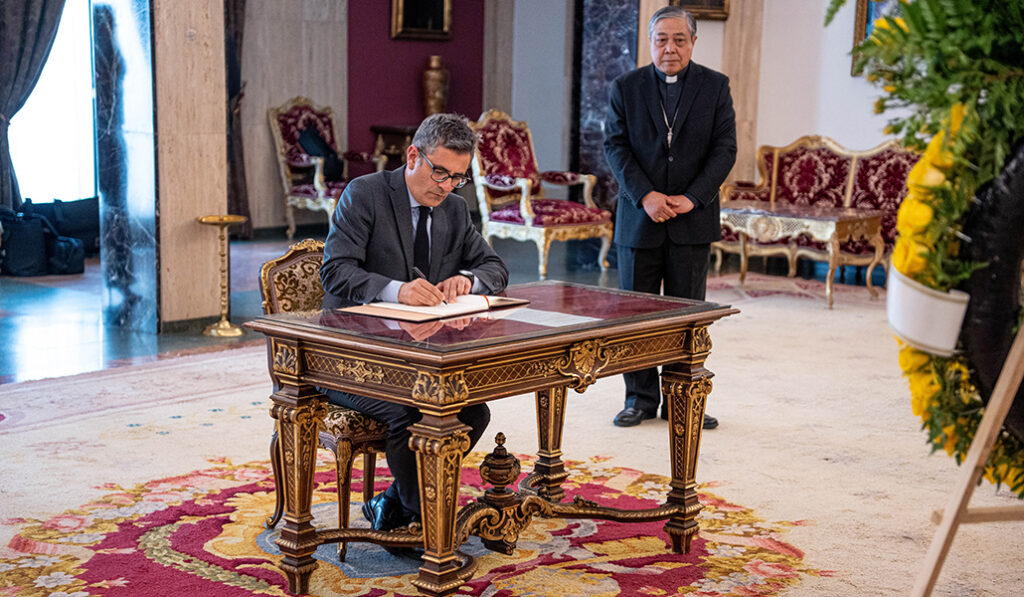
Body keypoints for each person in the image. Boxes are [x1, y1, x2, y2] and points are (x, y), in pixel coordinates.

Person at [319, 113, 509, 551]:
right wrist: (396, 290)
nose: (445, 186)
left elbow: (495, 268)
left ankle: (394, 505)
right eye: (439, 172)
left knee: (473, 412)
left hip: (413, 354)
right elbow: (335, 272)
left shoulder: (455, 210)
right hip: (349, 354)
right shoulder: (365, 194)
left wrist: (468, 278)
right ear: (412, 156)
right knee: (411, 412)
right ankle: (428, 523)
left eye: (457, 178)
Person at [604, 6, 736, 430]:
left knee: (687, 316)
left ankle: (683, 397)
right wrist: (646, 195)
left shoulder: (716, 87)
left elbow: (725, 149)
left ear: (693, 42)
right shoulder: (626, 87)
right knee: (636, 314)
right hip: (639, 218)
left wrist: (693, 198)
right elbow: (615, 147)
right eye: (661, 39)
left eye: (680, 39)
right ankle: (639, 398)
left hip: (691, 220)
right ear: (650, 43)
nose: (670, 48)